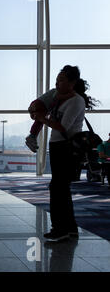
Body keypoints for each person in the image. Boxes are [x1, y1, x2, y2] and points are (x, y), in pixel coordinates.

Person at [35, 65, 98, 242]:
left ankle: (60, 228)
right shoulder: (60, 98)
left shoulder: (76, 101)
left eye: (61, 80)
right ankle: (69, 228)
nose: (57, 83)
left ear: (72, 83)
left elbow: (64, 126)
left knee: (58, 188)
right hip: (56, 145)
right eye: (57, 79)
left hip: (66, 147)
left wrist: (43, 120)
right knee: (61, 188)